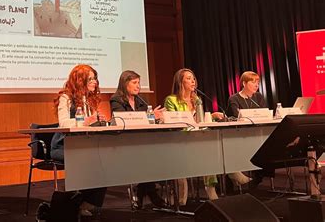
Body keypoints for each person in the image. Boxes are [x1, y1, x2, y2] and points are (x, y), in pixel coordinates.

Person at [50, 64, 107, 217]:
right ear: (80, 81)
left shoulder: (90, 99)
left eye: (95, 78)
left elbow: (90, 124)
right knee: (92, 160)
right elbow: (63, 123)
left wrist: (99, 120)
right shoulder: (66, 97)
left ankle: (86, 203)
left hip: (85, 145)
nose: (95, 82)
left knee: (106, 161)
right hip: (64, 146)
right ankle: (80, 202)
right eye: (91, 79)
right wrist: (86, 121)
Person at [164, 68, 225, 203]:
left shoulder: (197, 100)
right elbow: (172, 122)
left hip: (198, 139)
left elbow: (200, 122)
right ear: (180, 82)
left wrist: (212, 116)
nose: (193, 81)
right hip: (180, 141)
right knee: (207, 148)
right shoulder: (171, 100)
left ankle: (211, 188)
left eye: (193, 78)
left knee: (211, 146)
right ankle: (230, 176)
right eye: (188, 78)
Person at [110, 70, 166, 210]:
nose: (138, 86)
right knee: (145, 155)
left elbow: (148, 120)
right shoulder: (116, 99)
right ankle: (151, 192)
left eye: (139, 83)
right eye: (134, 83)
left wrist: (155, 117)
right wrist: (149, 116)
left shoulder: (141, 100)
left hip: (141, 141)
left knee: (154, 152)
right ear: (125, 83)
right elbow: (123, 120)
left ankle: (142, 190)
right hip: (124, 142)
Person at [227, 71, 272, 187]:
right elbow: (236, 116)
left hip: (257, 133)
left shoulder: (259, 97)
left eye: (258, 82)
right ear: (244, 83)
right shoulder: (234, 99)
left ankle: (261, 176)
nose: (257, 85)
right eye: (253, 82)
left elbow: (264, 114)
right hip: (239, 135)